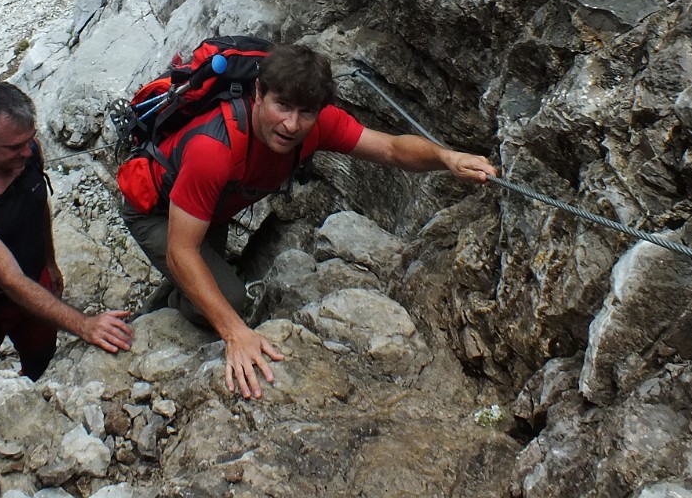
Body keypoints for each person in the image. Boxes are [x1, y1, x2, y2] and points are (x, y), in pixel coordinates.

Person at [121, 43, 497, 400]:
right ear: (258, 94)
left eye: (305, 112)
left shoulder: (316, 126)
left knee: (204, 291)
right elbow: (181, 251)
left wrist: (447, 158)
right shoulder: (213, 150)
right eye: (281, 105)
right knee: (229, 301)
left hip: (210, 208)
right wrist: (236, 334)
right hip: (155, 208)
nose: (291, 124)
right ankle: (160, 316)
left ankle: (172, 302)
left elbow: (391, 149)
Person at [0, 82, 133, 379]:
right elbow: (9, 279)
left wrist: (49, 262)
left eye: (30, 139)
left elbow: (38, 204)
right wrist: (85, 325)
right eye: (14, 146)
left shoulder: (28, 154)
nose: (27, 151)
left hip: (34, 276)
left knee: (41, 357)